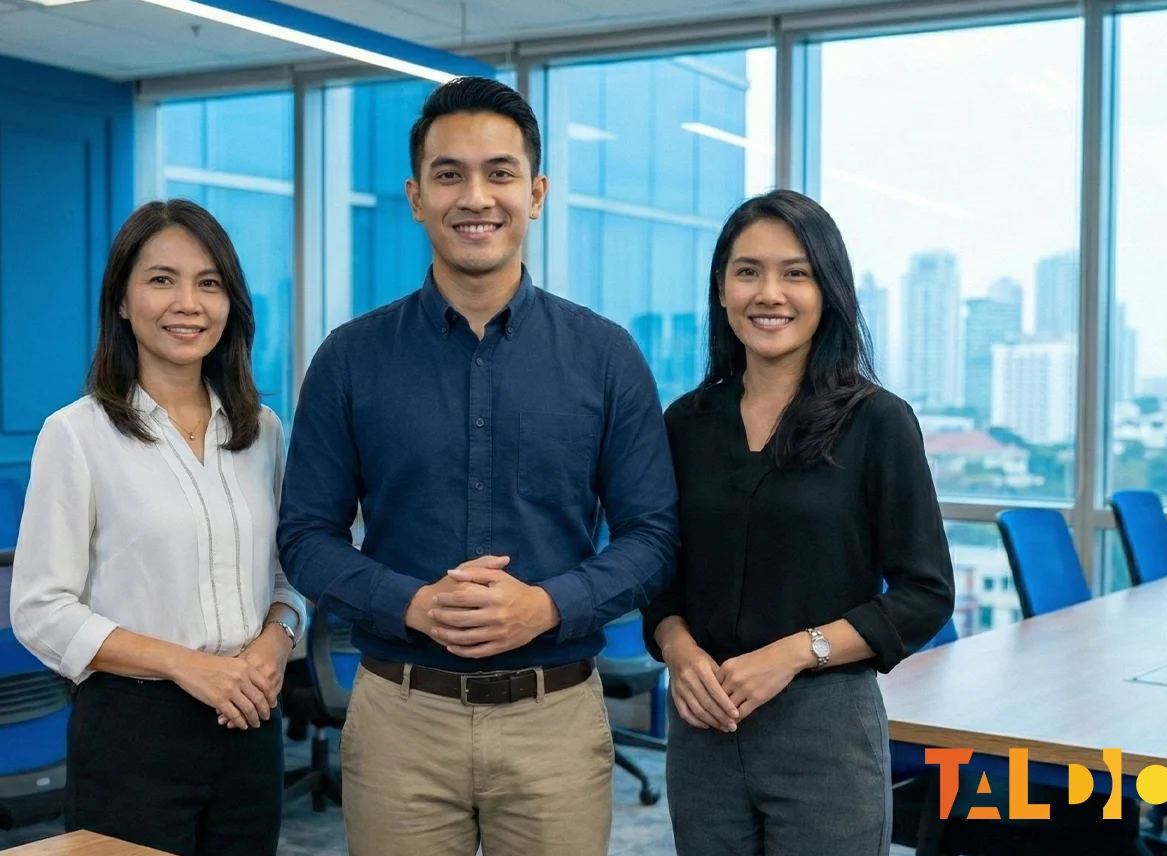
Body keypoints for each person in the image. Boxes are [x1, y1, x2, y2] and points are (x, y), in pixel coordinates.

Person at [277, 76, 679, 856]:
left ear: (536, 194)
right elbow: (304, 536)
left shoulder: (605, 357)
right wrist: (412, 604)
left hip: (554, 721)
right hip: (400, 720)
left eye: (499, 173)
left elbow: (654, 536)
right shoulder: (350, 359)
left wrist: (549, 606)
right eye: (449, 174)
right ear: (416, 197)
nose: (475, 197)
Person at [641, 189, 956, 856]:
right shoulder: (687, 423)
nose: (769, 294)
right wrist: (678, 650)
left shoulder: (877, 422)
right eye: (747, 271)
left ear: (827, 291)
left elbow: (925, 593)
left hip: (824, 728)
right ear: (721, 289)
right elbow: (662, 578)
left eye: (796, 273)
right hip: (704, 724)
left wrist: (789, 655)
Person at [10, 199, 306, 856]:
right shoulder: (77, 434)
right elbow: (40, 610)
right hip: (133, 731)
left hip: (250, 717)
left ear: (231, 302)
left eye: (209, 283)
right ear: (121, 300)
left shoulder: (263, 430)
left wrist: (275, 643)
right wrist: (188, 667)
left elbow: (288, 574)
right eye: (162, 280)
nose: (188, 304)